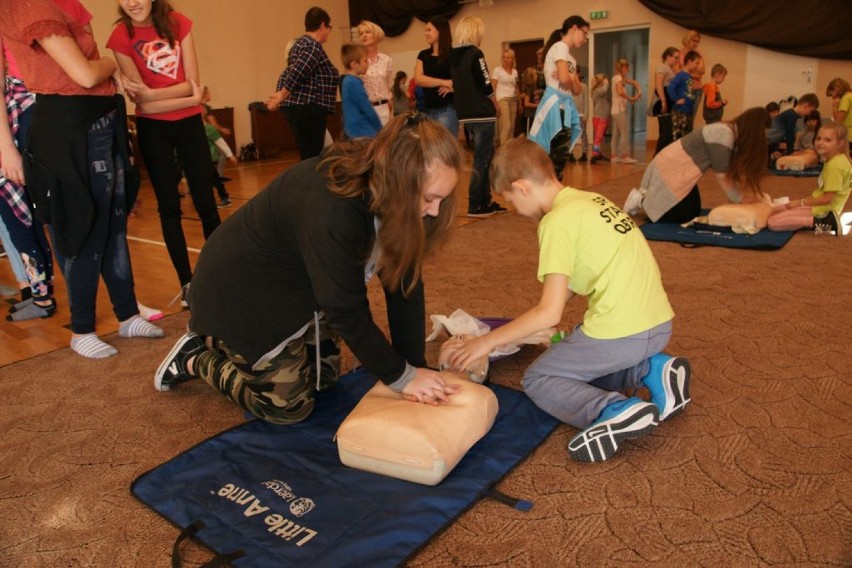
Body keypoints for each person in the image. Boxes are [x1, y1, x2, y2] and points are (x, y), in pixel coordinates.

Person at [154, 113, 463, 423]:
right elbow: (345, 309)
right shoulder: (333, 209)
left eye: (441, 200)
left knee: (324, 380)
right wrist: (401, 376)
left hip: (300, 283)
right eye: (428, 198)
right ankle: (196, 354)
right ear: (400, 178)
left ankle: (244, 349)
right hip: (241, 295)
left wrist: (414, 367)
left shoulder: (385, 180)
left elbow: (403, 282)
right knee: (287, 407)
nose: (434, 211)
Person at [447, 137, 690, 463]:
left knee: (539, 378)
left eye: (509, 201)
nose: (516, 211)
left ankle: (615, 410)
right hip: (658, 325)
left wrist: (487, 343)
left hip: (622, 333)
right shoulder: (590, 201)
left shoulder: (555, 222)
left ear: (522, 188)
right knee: (571, 351)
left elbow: (549, 312)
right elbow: (570, 289)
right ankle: (652, 369)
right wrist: (527, 329)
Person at [0, 0, 163, 358]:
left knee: (113, 226)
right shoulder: (27, 6)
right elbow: (86, 74)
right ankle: (83, 328)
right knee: (81, 230)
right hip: (68, 127)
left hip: (97, 120)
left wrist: (105, 70)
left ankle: (127, 314)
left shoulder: (61, 4)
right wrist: (110, 65)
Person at [108, 0, 222, 306]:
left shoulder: (178, 23)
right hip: (153, 130)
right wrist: (185, 95)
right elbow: (143, 105)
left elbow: (192, 86)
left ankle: (226, 274)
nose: (132, 2)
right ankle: (187, 284)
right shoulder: (121, 36)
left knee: (206, 203)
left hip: (190, 126)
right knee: (169, 208)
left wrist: (155, 94)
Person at [623, 107, 771, 224]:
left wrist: (747, 195)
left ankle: (647, 199)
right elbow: (722, 174)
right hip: (671, 167)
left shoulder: (732, 135)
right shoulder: (723, 133)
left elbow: (735, 173)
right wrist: (739, 199)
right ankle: (642, 200)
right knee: (681, 216)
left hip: (683, 171)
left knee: (693, 211)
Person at [0, 36, 56, 321]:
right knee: (21, 224)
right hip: (11, 134)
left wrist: (7, 148)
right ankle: (40, 293)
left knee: (22, 222)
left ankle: (43, 299)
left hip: (11, 137)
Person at [266, 7, 339, 160]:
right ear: (322, 25)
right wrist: (281, 96)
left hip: (304, 107)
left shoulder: (300, 44)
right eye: (329, 28)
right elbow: (299, 71)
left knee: (310, 154)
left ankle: (310, 181)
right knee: (311, 156)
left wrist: (281, 93)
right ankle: (308, 183)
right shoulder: (312, 45)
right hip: (309, 107)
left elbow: (291, 72)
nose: (328, 32)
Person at [449, 16, 505, 217]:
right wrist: (495, 104)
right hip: (482, 114)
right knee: (482, 160)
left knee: (484, 158)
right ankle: (475, 204)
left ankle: (485, 201)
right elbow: (486, 84)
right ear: (474, 32)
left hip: (466, 115)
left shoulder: (453, 56)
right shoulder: (475, 54)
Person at [529, 16, 590, 177]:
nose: (585, 39)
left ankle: (552, 195)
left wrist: (570, 79)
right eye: (585, 34)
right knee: (553, 157)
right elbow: (564, 79)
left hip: (565, 108)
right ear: (574, 28)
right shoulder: (559, 47)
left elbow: (577, 90)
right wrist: (569, 79)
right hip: (554, 106)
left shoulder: (572, 59)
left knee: (559, 157)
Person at [767, 122, 851, 236]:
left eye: (828, 140)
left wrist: (800, 203)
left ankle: (821, 222)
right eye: (819, 138)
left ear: (840, 143)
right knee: (777, 209)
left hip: (823, 210)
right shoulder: (836, 160)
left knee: (773, 222)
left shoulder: (835, 165)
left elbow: (827, 199)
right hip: (819, 205)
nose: (820, 143)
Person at [415, 16, 457, 136]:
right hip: (426, 111)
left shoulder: (453, 55)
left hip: (447, 110)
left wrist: (452, 85)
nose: (426, 33)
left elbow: (462, 79)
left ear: (440, 31)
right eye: (425, 30)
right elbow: (418, 79)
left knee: (448, 149)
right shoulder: (423, 55)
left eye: (429, 30)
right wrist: (444, 82)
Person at [339, 43, 382, 139]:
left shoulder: (348, 80)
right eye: (365, 61)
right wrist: (381, 129)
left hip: (356, 129)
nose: (368, 63)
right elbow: (367, 109)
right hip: (361, 131)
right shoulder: (353, 82)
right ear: (354, 64)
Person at [201, 104, 237, 208]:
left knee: (214, 180)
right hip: (200, 159)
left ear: (203, 114)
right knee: (206, 181)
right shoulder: (193, 130)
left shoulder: (210, 129)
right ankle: (212, 201)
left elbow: (220, 142)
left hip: (210, 158)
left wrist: (230, 155)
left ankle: (225, 198)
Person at [358, 20, 393, 125]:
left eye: (367, 32)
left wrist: (390, 108)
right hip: (365, 109)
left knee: (386, 140)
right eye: (361, 33)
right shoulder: (358, 61)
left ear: (376, 34)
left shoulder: (387, 60)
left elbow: (389, 86)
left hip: (384, 109)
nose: (364, 35)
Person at [767, 93, 820, 159]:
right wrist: (790, 152)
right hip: (764, 140)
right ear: (806, 106)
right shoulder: (791, 115)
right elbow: (789, 134)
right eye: (811, 111)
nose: (809, 113)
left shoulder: (791, 114)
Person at [610, 58, 641, 164]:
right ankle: (625, 156)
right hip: (618, 110)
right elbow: (619, 92)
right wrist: (630, 98)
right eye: (627, 68)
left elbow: (634, 82)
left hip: (615, 110)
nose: (628, 70)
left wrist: (639, 91)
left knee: (616, 133)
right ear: (623, 68)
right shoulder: (618, 78)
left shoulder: (618, 78)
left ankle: (614, 156)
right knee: (624, 132)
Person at [667, 50, 702, 141]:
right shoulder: (681, 75)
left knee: (685, 135)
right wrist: (676, 99)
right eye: (696, 63)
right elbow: (671, 87)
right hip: (680, 111)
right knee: (678, 137)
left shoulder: (688, 76)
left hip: (687, 111)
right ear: (689, 61)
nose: (697, 66)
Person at [652, 47, 679, 154]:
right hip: (663, 102)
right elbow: (659, 85)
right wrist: (663, 101)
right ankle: (657, 157)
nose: (677, 60)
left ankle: (661, 156)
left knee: (666, 132)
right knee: (666, 132)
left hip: (668, 102)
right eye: (675, 57)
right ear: (668, 56)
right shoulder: (662, 67)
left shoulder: (669, 68)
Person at [491, 48, 519, 147]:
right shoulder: (497, 70)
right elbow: (492, 88)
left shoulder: (515, 71)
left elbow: (516, 87)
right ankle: (502, 150)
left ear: (512, 59)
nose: (505, 59)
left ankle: (509, 151)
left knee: (512, 128)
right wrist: (495, 103)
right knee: (506, 126)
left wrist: (519, 102)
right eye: (504, 57)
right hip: (502, 99)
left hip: (513, 100)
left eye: (508, 58)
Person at [825, 78, 852, 152]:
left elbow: (838, 121)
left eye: (832, 94)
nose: (833, 97)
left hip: (848, 135)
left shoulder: (846, 98)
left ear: (836, 89)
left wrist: (834, 107)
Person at [569, 68, 588, 163]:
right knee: (571, 134)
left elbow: (586, 101)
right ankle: (570, 153)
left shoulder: (584, 86)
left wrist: (586, 115)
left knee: (583, 134)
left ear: (579, 74)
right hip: (572, 114)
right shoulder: (569, 86)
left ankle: (584, 153)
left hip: (581, 114)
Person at [590, 72, 610, 164]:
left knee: (600, 137)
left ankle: (599, 153)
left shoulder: (598, 91)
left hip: (601, 116)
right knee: (598, 138)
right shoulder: (598, 91)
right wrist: (606, 82)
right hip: (600, 117)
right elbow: (605, 90)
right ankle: (594, 154)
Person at [519, 66, 541, 135]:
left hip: (535, 114)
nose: (537, 76)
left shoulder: (535, 86)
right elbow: (526, 103)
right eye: (535, 74)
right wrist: (538, 105)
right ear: (532, 76)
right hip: (530, 115)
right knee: (529, 134)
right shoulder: (528, 88)